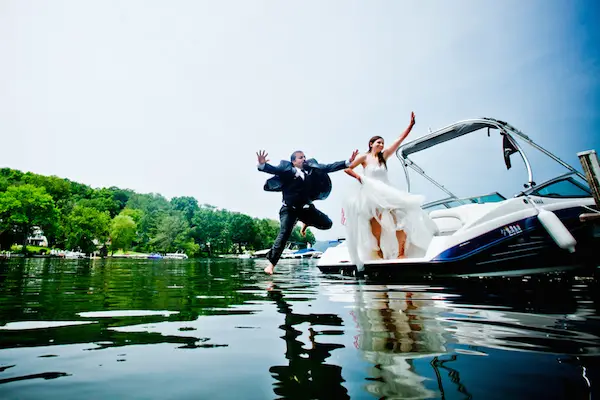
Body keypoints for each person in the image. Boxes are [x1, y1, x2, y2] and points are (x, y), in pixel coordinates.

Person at [343, 112, 437, 270]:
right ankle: (378, 251)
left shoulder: (383, 156)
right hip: (371, 194)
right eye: (378, 143)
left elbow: (398, 141)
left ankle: (401, 252)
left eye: (382, 143)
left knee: (401, 216)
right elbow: (348, 169)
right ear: (371, 143)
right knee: (376, 223)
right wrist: (360, 178)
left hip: (387, 192)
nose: (381, 145)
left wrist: (410, 126)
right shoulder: (364, 157)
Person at [257, 149, 358, 275]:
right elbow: (274, 169)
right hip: (289, 210)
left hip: (306, 209)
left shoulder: (311, 169)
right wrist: (262, 165)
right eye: (300, 157)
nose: (304, 159)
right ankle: (271, 265)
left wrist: (347, 162)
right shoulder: (286, 169)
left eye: (304, 157)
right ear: (293, 161)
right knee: (284, 233)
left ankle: (306, 222)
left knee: (327, 224)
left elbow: (328, 167)